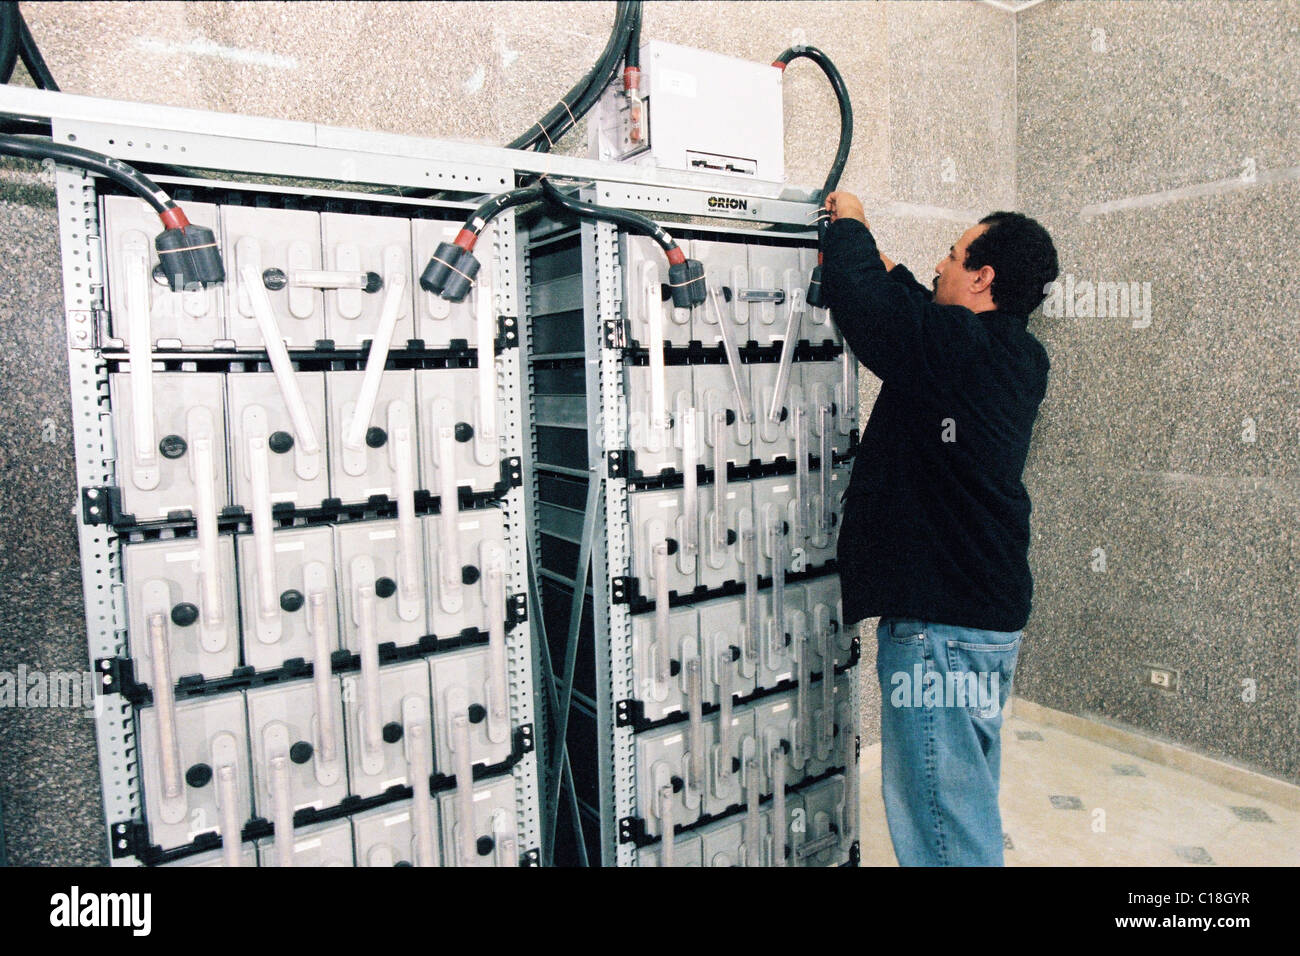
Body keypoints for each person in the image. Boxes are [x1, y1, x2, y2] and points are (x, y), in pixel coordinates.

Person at [820, 190, 1059, 866]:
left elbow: (872, 316)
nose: (939, 263)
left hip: (941, 632)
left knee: (941, 824)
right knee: (961, 798)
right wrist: (896, 273)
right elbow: (922, 322)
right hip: (986, 621)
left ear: (983, 278)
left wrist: (852, 227)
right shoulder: (1016, 354)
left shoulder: (956, 347)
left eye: (952, 257)